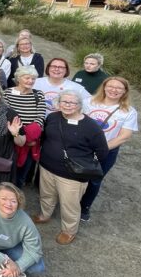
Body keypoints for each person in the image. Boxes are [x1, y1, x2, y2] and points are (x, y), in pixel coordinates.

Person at [32, 90, 109, 245]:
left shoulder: (91, 127)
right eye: (64, 102)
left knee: (70, 204)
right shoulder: (52, 117)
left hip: (72, 174)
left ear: (79, 105)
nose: (67, 105)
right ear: (58, 103)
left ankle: (69, 230)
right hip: (47, 167)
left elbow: (102, 151)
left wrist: (84, 163)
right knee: (46, 195)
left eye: (72, 102)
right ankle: (45, 215)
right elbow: (46, 138)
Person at [80, 77, 138, 222]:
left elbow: (124, 136)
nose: (113, 90)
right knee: (75, 174)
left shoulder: (129, 111)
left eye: (119, 88)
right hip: (82, 146)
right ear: (104, 87)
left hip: (107, 151)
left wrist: (101, 149)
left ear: (125, 91)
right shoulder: (88, 102)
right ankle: (69, 201)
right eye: (110, 86)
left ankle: (84, 206)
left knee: (94, 179)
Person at [3, 66, 47, 188]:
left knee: (21, 174)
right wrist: (16, 135)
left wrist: (27, 138)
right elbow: (5, 115)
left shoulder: (38, 94)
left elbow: (40, 118)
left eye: (33, 79)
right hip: (10, 139)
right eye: (27, 78)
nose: (30, 81)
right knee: (6, 169)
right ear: (18, 78)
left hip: (29, 142)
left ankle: (17, 192)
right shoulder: (8, 93)